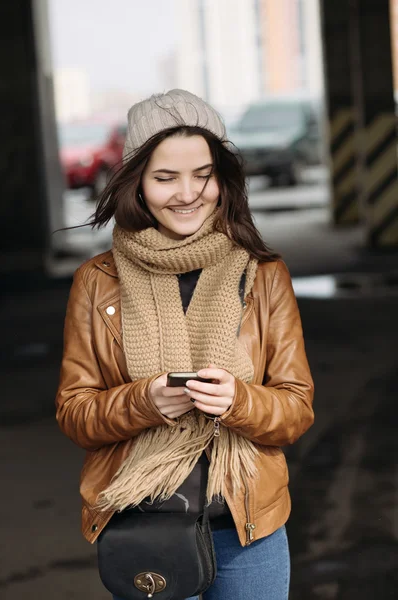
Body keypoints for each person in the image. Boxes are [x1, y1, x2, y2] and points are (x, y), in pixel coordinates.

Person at [55, 89, 314, 600]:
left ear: (223, 178)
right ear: (136, 184)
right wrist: (142, 402)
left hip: (248, 531)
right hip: (146, 524)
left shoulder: (264, 275)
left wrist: (239, 401)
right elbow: (74, 413)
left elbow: (296, 409)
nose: (188, 193)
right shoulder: (97, 281)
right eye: (165, 177)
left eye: (203, 174)